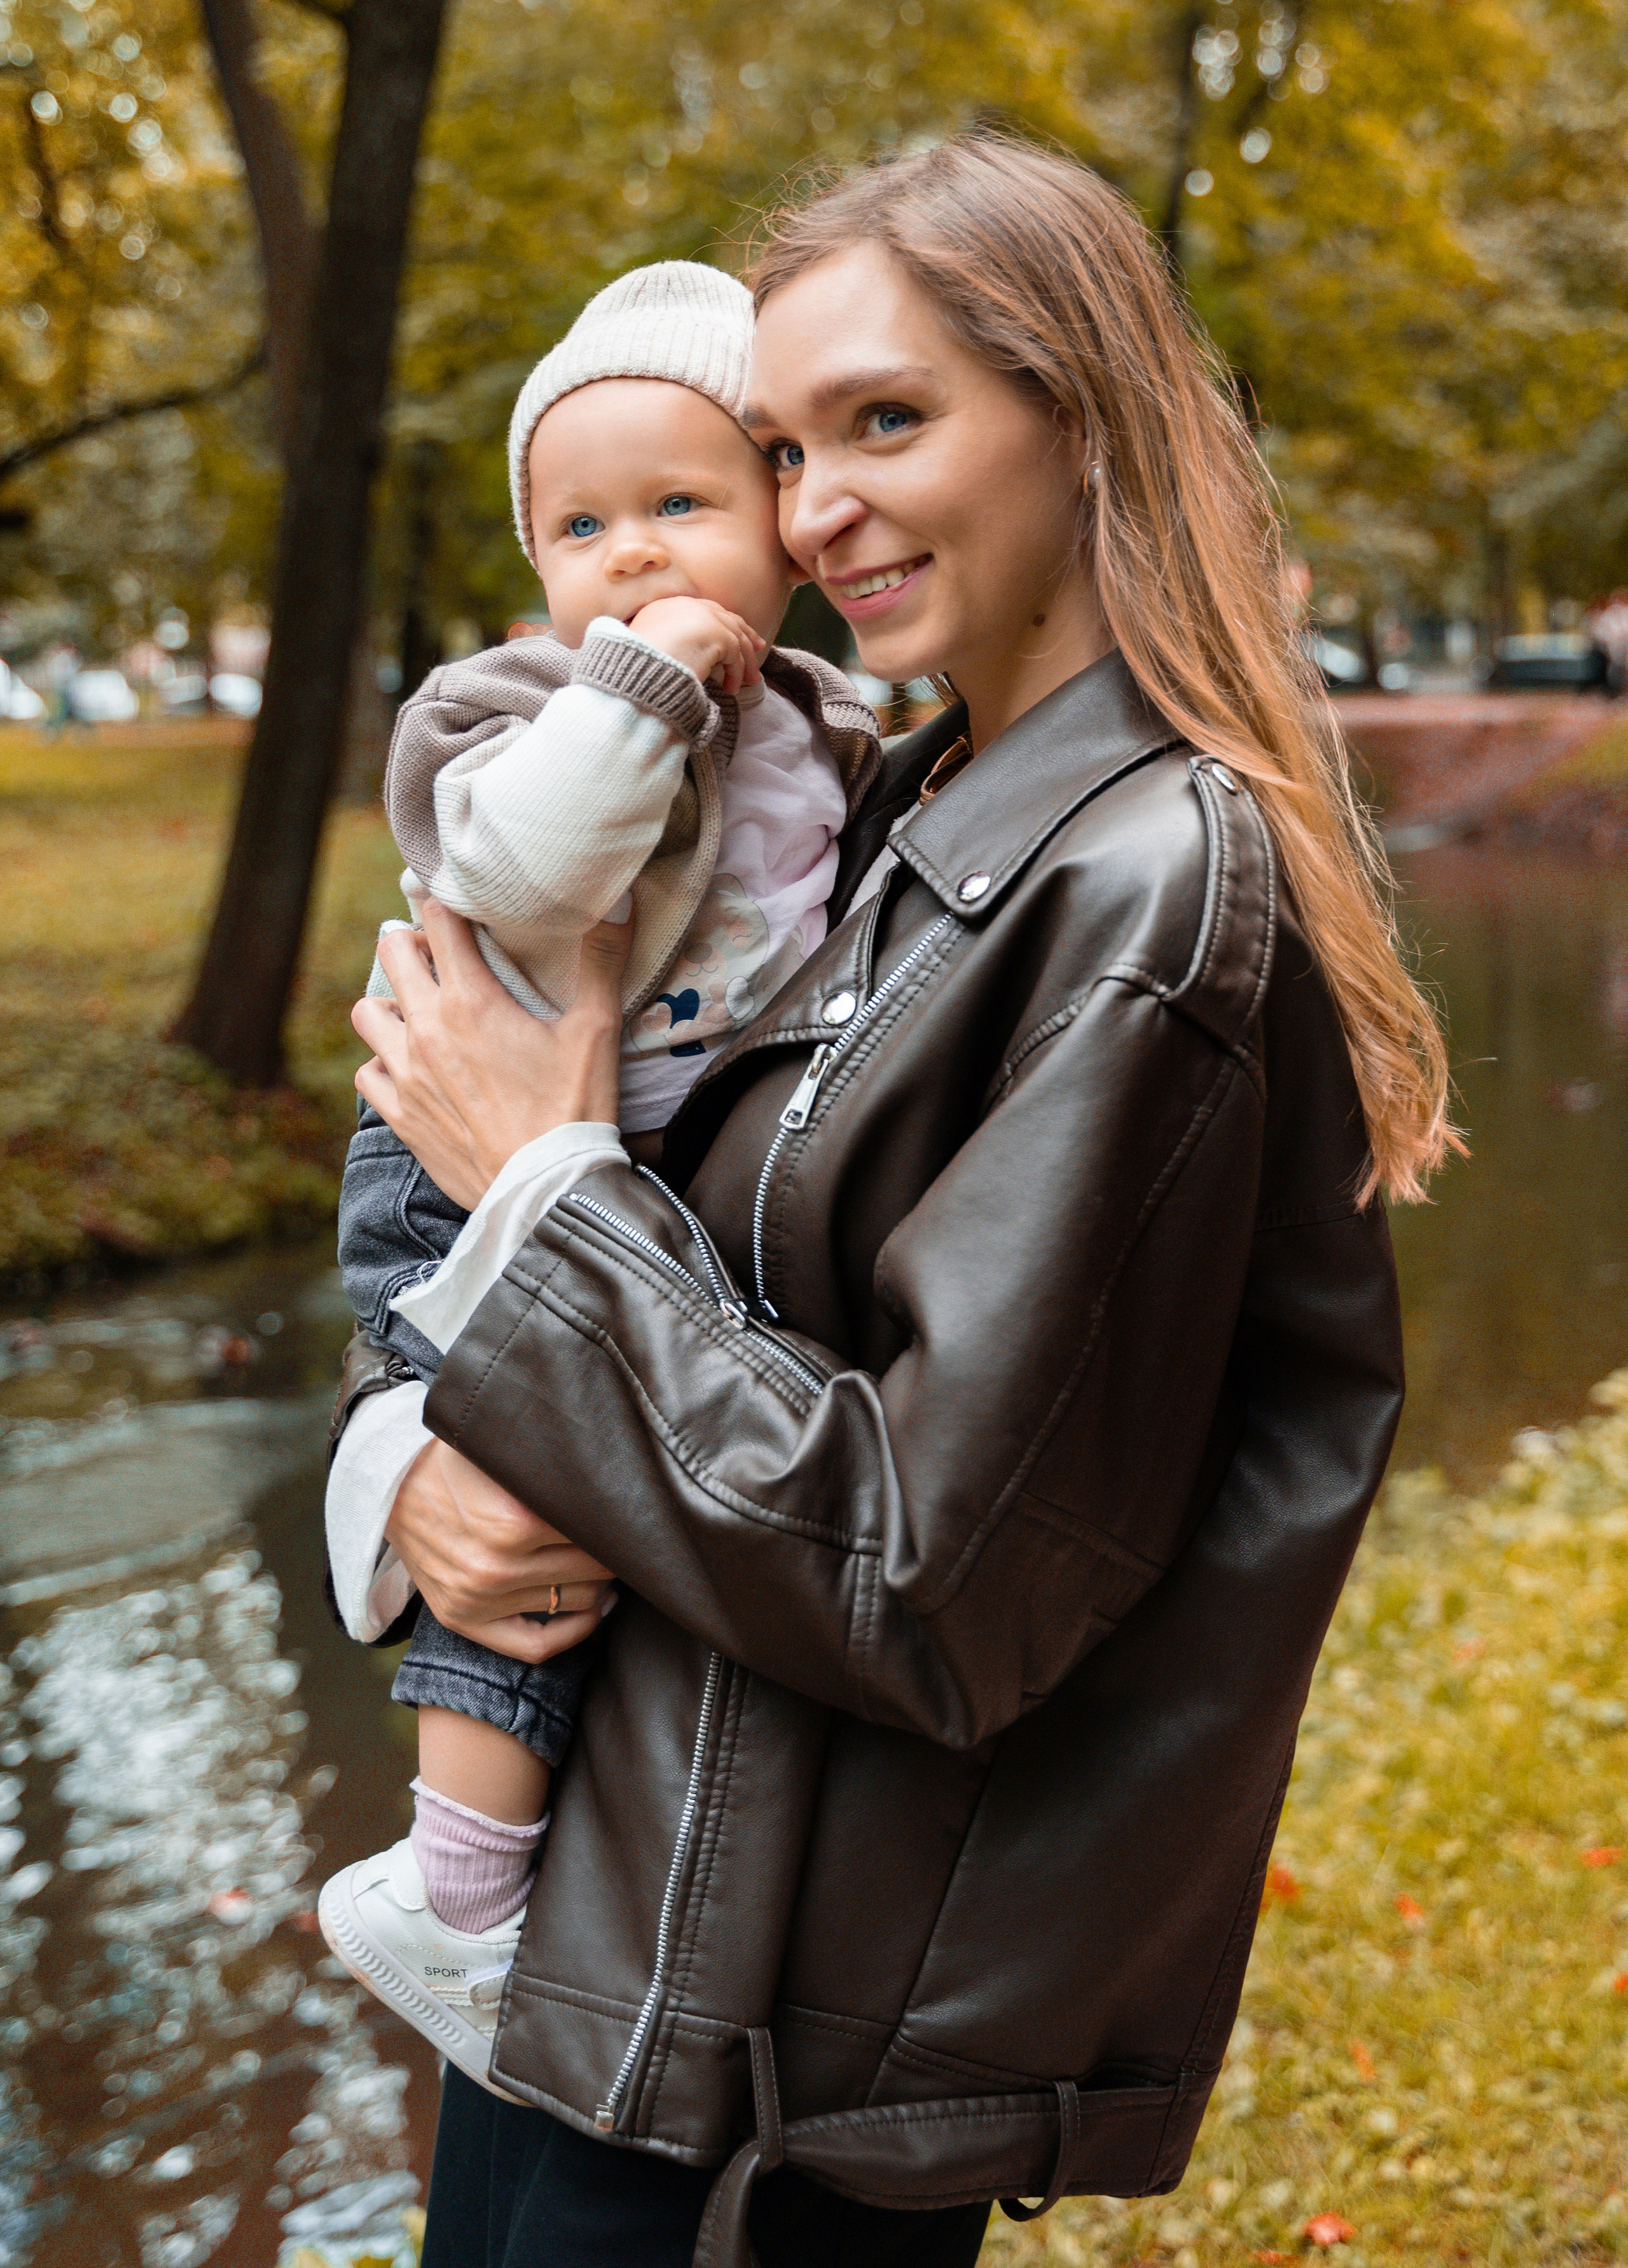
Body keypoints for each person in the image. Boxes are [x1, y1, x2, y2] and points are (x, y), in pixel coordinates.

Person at [326, 131, 1454, 2268]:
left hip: (776, 2079)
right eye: (782, 441)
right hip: (611, 1959)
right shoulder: (884, 810)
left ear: (1083, 416)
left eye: (889, 421)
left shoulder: (1140, 886)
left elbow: (932, 1580)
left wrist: (539, 1187)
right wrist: (403, 1475)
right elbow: (679, 1300)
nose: (813, 503)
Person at [318, 260, 878, 2091]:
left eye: (682, 508)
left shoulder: (832, 730)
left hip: (629, 1163)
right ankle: (456, 1889)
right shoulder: (508, 706)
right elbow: (540, 877)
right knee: (506, 1495)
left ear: (789, 536)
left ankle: (483, 1883)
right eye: (581, 523)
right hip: (453, 1146)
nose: (628, 555)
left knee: (574, 1507)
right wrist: (641, 681)